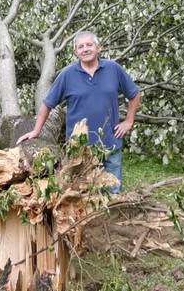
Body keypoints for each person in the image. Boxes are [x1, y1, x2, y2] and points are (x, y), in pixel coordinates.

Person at [17, 31, 142, 193]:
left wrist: (129, 121)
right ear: (76, 52)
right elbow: (47, 104)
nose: (85, 49)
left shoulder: (113, 69)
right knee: (80, 196)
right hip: (79, 150)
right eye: (80, 47)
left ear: (99, 48)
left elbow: (135, 94)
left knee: (113, 194)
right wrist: (36, 130)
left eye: (89, 45)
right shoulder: (67, 75)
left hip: (110, 144)